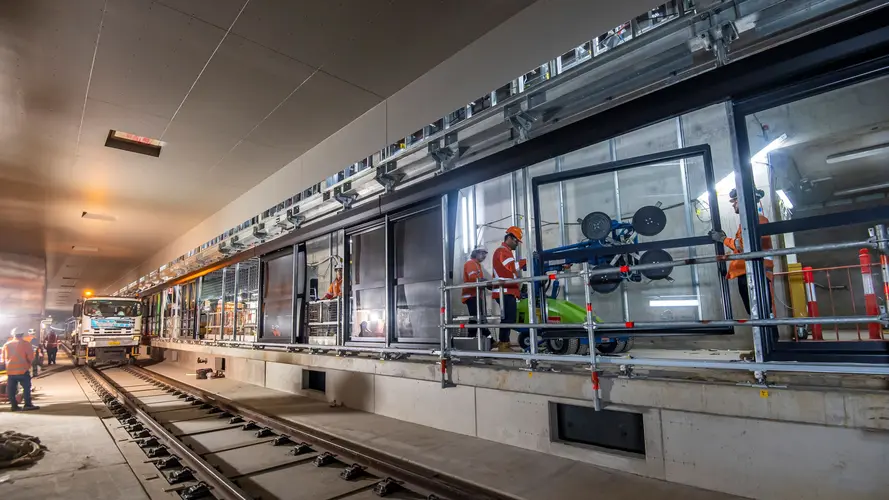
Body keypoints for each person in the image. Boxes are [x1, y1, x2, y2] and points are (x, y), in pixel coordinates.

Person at [709, 188, 774, 316]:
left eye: (735, 201)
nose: (733, 204)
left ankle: (769, 336)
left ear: (744, 201)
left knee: (761, 312)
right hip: (749, 272)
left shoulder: (757, 220)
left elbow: (744, 246)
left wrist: (723, 239)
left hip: (754, 272)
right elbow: (741, 246)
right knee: (757, 313)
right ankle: (766, 335)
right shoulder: (748, 222)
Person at [492, 226, 526, 352]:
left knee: (509, 318)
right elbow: (511, 267)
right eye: (516, 241)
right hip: (504, 291)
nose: (517, 244)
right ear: (510, 238)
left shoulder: (506, 251)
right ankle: (503, 344)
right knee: (508, 318)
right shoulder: (502, 251)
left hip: (508, 291)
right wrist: (525, 262)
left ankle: (504, 343)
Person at [2, 329, 40, 411]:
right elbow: (31, 357)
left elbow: (3, 358)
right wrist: (29, 365)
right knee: (26, 388)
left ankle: (14, 406)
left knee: (11, 389)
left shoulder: (7, 345)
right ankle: (27, 405)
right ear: (22, 334)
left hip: (11, 371)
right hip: (23, 370)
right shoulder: (26, 344)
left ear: (13, 335)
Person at [462, 246, 491, 339]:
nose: (484, 256)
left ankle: (478, 340)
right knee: (476, 319)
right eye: (482, 253)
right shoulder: (470, 263)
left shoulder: (477, 265)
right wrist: (485, 281)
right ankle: (489, 339)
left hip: (477, 296)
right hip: (472, 296)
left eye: (485, 254)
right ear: (476, 253)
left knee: (478, 318)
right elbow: (473, 278)